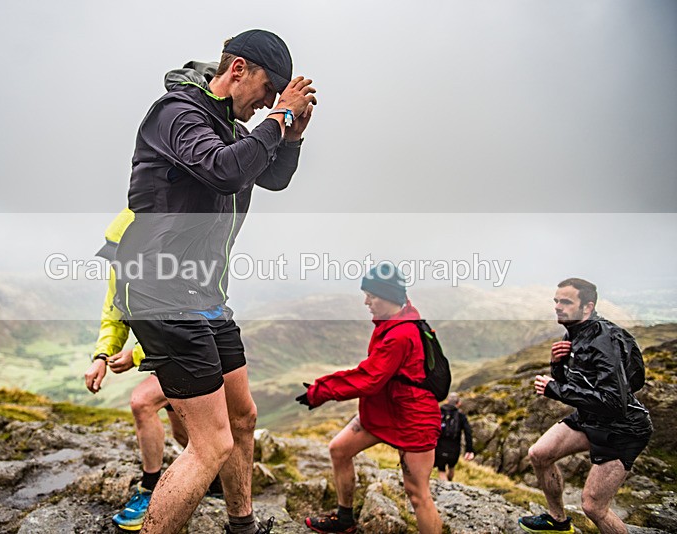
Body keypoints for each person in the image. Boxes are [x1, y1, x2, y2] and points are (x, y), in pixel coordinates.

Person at [113, 30, 316, 534]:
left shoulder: (230, 126)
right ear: (239, 69)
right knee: (211, 443)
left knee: (243, 418)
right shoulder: (178, 114)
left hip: (204, 294)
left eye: (276, 98)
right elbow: (225, 171)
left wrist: (289, 136)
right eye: (268, 90)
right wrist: (277, 119)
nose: (269, 102)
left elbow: (269, 176)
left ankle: (241, 526)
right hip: (160, 289)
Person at [83, 209, 223, 531]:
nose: (116, 265)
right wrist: (102, 356)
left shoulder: (172, 271)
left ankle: (149, 489)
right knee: (184, 433)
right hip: (167, 357)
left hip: (193, 355)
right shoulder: (122, 273)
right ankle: (213, 483)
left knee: (142, 402)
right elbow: (114, 315)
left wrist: (136, 355)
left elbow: (187, 325)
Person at [296, 263, 442, 534]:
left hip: (414, 418)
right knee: (339, 449)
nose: (366, 302)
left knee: (417, 494)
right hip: (384, 409)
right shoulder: (397, 318)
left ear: (389, 296)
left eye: (371, 296)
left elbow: (369, 377)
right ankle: (344, 519)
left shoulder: (401, 333)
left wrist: (321, 391)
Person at [519, 278, 653, 534]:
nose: (558, 307)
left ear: (587, 307)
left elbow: (615, 402)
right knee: (539, 454)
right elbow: (578, 381)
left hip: (623, 430)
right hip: (590, 418)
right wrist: (557, 364)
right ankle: (557, 520)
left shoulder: (604, 340)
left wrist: (555, 390)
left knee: (593, 507)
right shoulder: (575, 331)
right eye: (556, 301)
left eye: (566, 302)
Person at [434, 393, 474, 481]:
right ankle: (450, 483)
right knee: (451, 467)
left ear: (447, 401)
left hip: (439, 447)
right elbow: (468, 432)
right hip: (454, 448)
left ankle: (445, 488)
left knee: (441, 470)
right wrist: (469, 450)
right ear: (458, 403)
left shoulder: (438, 412)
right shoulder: (461, 416)